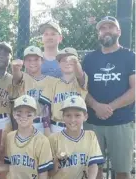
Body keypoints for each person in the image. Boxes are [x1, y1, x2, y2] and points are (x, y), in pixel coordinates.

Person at [82, 16, 135, 179]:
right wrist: (96, 106)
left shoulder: (130, 56)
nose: (106, 31)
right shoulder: (89, 59)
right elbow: (81, 88)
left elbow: (135, 89)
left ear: (118, 31)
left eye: (110, 27)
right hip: (93, 121)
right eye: (102, 28)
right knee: (94, 169)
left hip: (121, 122)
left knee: (122, 170)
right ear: (98, 33)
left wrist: (109, 107)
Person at [48, 95, 105, 179]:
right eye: (68, 115)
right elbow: (49, 173)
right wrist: (56, 162)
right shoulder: (53, 138)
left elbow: (93, 165)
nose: (72, 120)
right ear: (62, 117)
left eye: (77, 115)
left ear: (85, 117)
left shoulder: (90, 135)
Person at [1, 95, 54, 179]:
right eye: (19, 112)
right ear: (14, 114)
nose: (23, 116)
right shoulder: (9, 137)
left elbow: (43, 174)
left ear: (35, 115)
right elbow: (8, 166)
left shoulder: (42, 140)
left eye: (28, 113)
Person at [39, 47, 87, 134]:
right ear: (59, 64)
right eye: (63, 60)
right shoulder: (53, 83)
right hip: (56, 127)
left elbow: (80, 75)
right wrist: (47, 128)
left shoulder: (82, 81)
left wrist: (75, 63)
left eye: (71, 60)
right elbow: (46, 108)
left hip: (77, 126)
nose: (67, 62)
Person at [11, 46, 57, 135]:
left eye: (36, 59)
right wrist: (15, 68)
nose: (32, 62)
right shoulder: (22, 77)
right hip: (25, 122)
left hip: (45, 124)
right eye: (29, 60)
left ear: (42, 61)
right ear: (24, 62)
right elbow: (16, 76)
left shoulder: (52, 81)